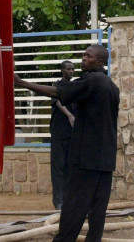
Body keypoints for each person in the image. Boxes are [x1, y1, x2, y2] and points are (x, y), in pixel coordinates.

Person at [14, 45, 119, 242]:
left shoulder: (91, 81)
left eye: (89, 56)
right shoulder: (112, 86)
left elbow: (57, 92)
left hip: (86, 158)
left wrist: (21, 83)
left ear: (100, 62)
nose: (83, 59)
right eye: (84, 55)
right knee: (98, 209)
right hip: (105, 159)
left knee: (74, 206)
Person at [50, 60, 77, 210]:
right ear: (62, 70)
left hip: (72, 134)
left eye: (73, 69)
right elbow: (58, 101)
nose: (71, 71)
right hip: (59, 132)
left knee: (69, 167)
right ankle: (58, 200)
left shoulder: (75, 87)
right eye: (68, 69)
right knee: (58, 167)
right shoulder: (56, 86)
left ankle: (67, 198)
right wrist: (69, 115)